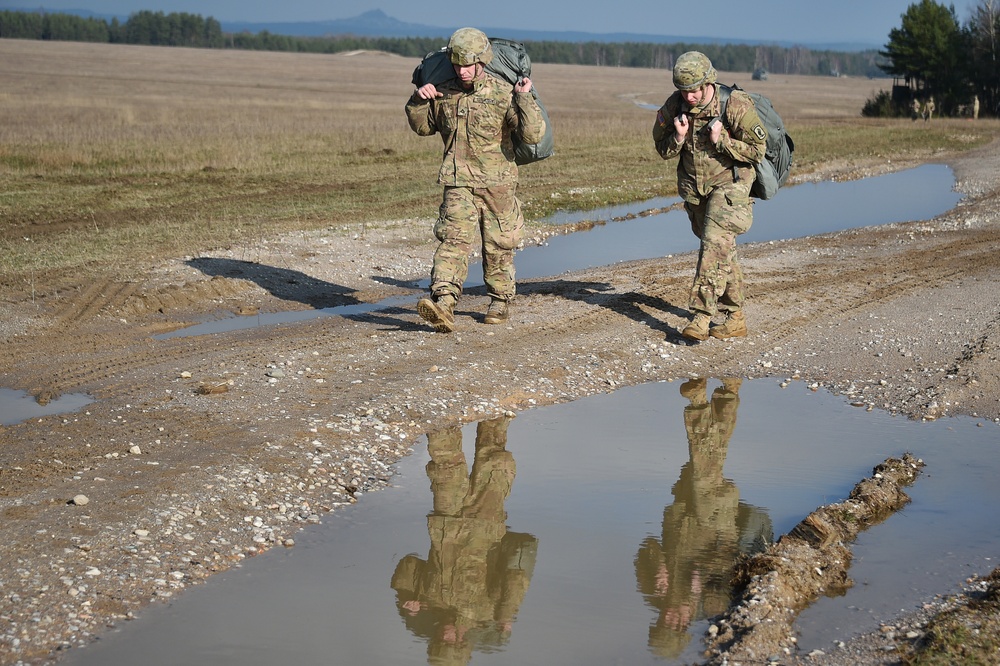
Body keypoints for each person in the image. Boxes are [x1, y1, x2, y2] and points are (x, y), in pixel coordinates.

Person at [405, 27, 547, 333]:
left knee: (498, 244)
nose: (462, 70)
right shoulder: (443, 90)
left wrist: (524, 99)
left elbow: (533, 135)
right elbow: (423, 128)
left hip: (498, 182)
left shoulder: (503, 92)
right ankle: (443, 303)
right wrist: (419, 100)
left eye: (468, 64)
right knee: (452, 240)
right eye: (457, 64)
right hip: (458, 181)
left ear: (482, 62)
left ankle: (499, 300)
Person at [652, 52, 767, 341]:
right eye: (684, 90)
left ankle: (701, 317)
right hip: (696, 190)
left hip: (731, 187)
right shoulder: (674, 105)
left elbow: (758, 151)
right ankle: (735, 317)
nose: (689, 96)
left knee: (714, 243)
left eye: (694, 90)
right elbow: (661, 148)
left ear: (708, 82)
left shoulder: (734, 105)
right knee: (721, 249)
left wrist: (723, 141)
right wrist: (677, 138)